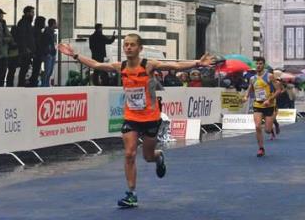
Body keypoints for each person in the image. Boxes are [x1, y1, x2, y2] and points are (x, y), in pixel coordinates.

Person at [58, 35, 214, 208]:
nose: (128, 48)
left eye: (132, 45)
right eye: (126, 45)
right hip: (131, 117)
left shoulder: (149, 65)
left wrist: (197, 63)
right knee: (129, 154)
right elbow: (96, 65)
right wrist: (74, 55)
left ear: (140, 48)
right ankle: (131, 194)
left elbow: (175, 65)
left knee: (148, 156)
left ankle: (158, 157)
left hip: (151, 118)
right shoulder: (121, 66)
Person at [242, 57, 282, 157]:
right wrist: (246, 96)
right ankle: (261, 148)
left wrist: (269, 99)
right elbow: (249, 89)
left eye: (260, 64)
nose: (258, 65)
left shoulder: (269, 76)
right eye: (257, 64)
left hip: (269, 105)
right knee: (257, 126)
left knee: (267, 130)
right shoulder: (252, 78)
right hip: (258, 105)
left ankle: (272, 125)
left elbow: (278, 90)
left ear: (263, 65)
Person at [16, 6, 35, 87]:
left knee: (25, 68)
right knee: (24, 69)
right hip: (25, 51)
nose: (33, 14)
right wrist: (25, 48)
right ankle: (21, 85)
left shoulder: (27, 23)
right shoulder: (23, 23)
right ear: (27, 13)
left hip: (28, 50)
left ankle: (22, 84)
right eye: (32, 12)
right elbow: (22, 37)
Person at [0, 9, 13, 87]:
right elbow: (6, 37)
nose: (2, 16)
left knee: (2, 72)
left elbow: (8, 36)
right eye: (1, 14)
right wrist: (5, 39)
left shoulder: (3, 23)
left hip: (3, 52)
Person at [28, 16, 46, 87]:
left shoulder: (35, 30)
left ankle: (33, 82)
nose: (45, 24)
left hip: (36, 53)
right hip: (37, 53)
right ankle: (33, 83)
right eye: (44, 22)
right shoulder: (38, 32)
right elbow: (38, 43)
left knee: (36, 69)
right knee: (36, 69)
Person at [41, 19, 57, 87]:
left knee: (49, 71)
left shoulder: (51, 32)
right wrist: (48, 53)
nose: (56, 24)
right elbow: (46, 44)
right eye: (55, 23)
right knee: (47, 71)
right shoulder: (47, 32)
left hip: (51, 53)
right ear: (53, 24)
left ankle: (46, 85)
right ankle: (44, 85)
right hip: (49, 54)